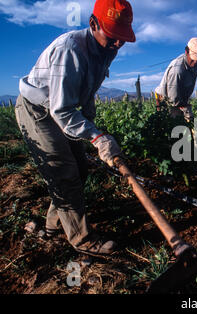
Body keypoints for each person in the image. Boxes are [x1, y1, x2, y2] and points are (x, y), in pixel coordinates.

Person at [15, 0, 135, 256]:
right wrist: (97, 137)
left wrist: (93, 127)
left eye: (122, 39)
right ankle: (82, 240)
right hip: (38, 111)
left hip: (61, 108)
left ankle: (52, 226)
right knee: (64, 171)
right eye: (113, 37)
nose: (117, 44)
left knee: (80, 169)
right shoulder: (69, 50)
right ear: (93, 24)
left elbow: (88, 93)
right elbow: (61, 111)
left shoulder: (106, 51)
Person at [155, 37, 197, 122]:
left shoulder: (193, 63)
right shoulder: (177, 70)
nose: (196, 63)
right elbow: (173, 100)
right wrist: (183, 109)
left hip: (179, 97)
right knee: (174, 125)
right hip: (166, 98)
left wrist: (185, 103)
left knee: (187, 120)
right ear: (187, 52)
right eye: (194, 59)